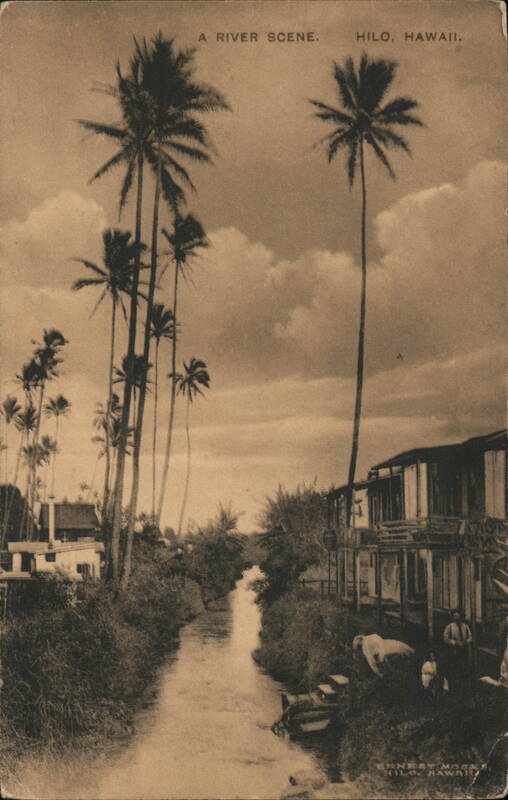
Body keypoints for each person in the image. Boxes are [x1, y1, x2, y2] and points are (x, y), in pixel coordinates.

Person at [443, 609, 473, 693]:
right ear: (453, 617)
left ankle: (463, 686)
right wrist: (455, 642)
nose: (456, 618)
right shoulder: (450, 626)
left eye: (458, 616)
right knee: (454, 666)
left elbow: (470, 637)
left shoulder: (465, 626)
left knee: (463, 667)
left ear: (461, 617)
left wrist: (465, 642)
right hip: (454, 650)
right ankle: (453, 686)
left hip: (464, 649)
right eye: (455, 616)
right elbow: (445, 638)